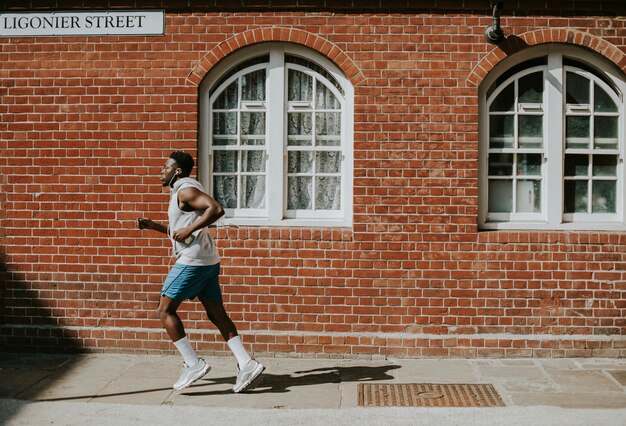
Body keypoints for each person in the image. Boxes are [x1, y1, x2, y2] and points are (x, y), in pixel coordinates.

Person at [137, 151, 264, 392]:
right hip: (207, 261)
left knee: (164, 311)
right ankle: (247, 364)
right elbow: (182, 231)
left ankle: (193, 364)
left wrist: (188, 231)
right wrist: (155, 226)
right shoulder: (182, 192)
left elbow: (215, 209)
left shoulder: (185, 190)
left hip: (192, 262)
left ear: (177, 171)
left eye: (165, 167)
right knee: (216, 314)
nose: (160, 172)